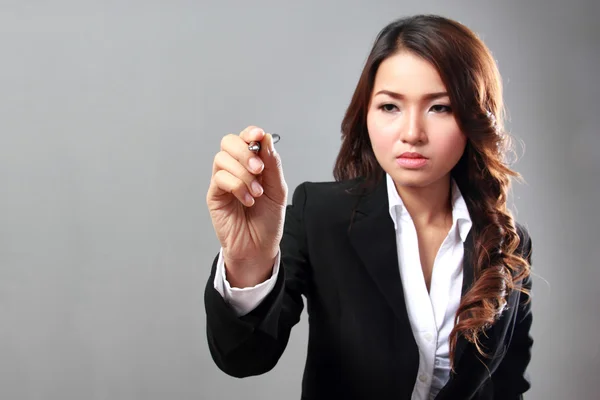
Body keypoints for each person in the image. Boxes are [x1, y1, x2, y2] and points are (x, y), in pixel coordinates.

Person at [204, 14, 534, 400]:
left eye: (440, 107)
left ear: (476, 116)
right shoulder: (320, 215)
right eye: (390, 106)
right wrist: (248, 261)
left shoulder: (507, 243)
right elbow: (245, 359)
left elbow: (509, 387)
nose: (412, 133)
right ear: (366, 113)